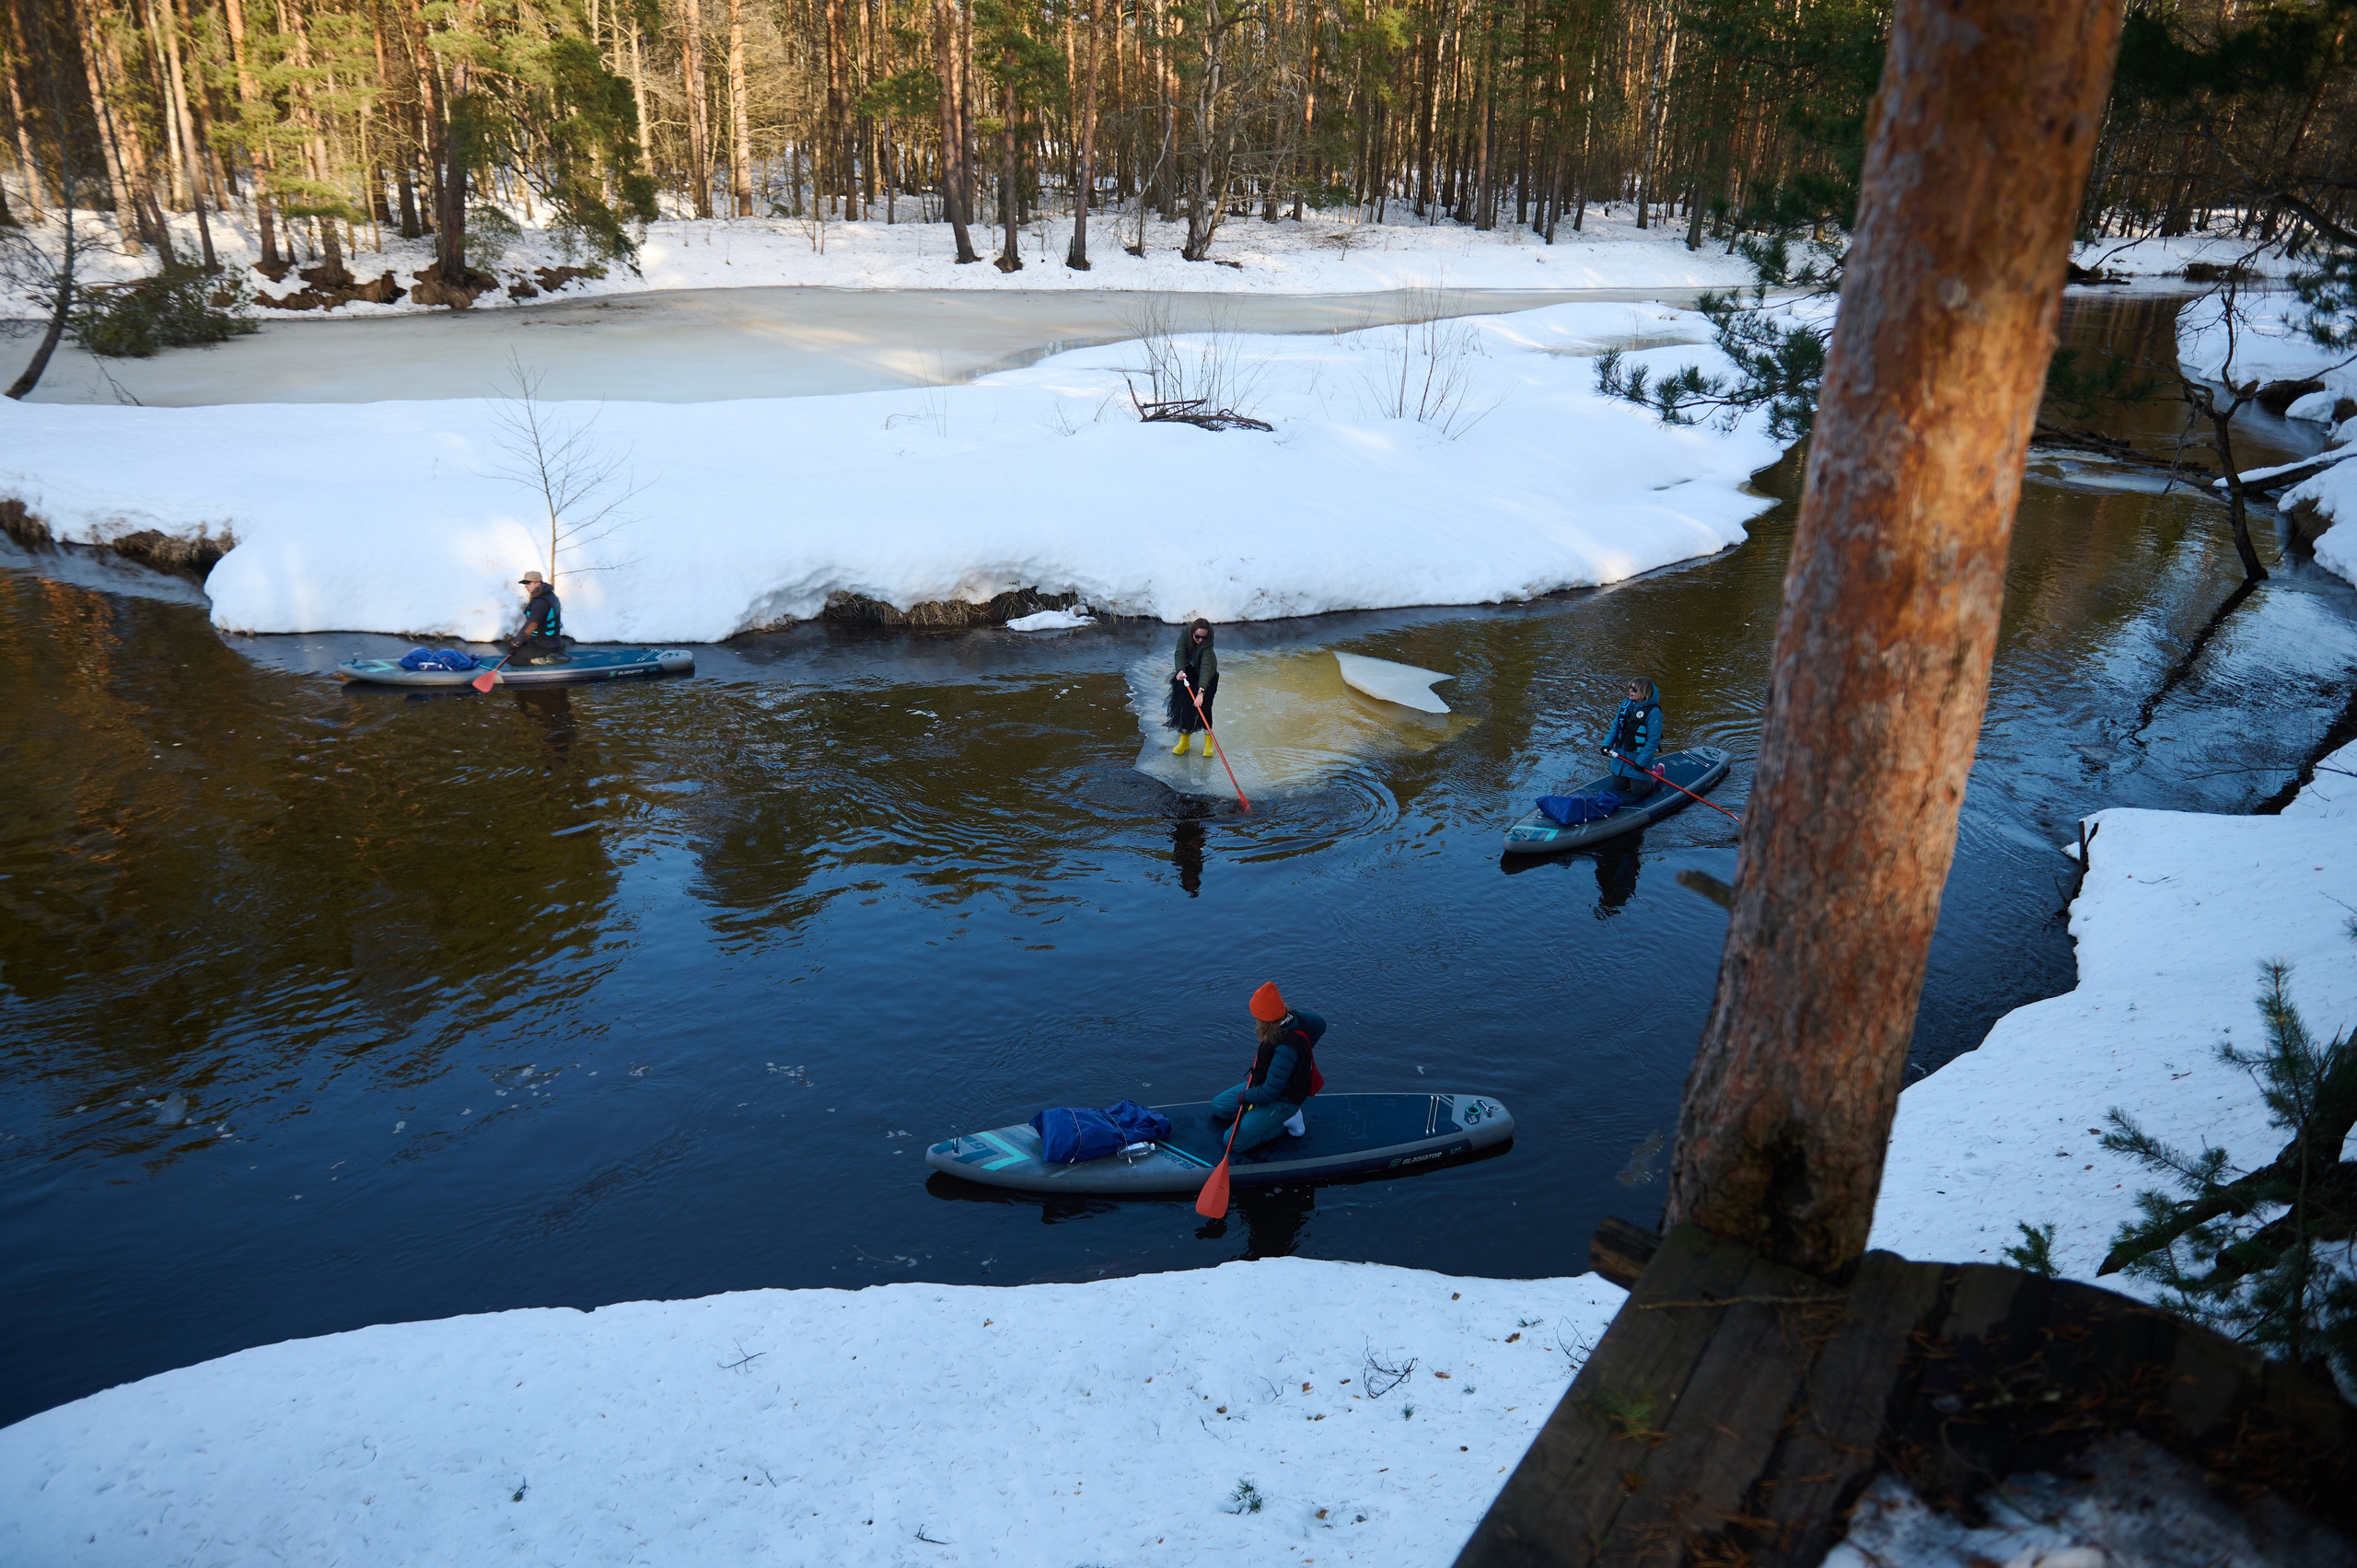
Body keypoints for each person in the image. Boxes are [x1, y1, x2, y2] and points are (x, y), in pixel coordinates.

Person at [1209, 982, 1326, 1153]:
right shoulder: (1292, 1017)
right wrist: (1304, 1053)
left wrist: (1247, 1096)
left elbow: (1270, 1093)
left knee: (1231, 1142)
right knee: (1218, 1107)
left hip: (1282, 1100)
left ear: (1264, 1019)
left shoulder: (1285, 1051)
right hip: (1265, 1085)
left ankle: (1286, 1120)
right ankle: (1257, 1118)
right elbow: (1320, 1025)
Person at [1601, 677, 1665, 802]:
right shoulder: (1626, 704)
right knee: (1619, 786)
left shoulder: (1653, 712)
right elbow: (1615, 726)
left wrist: (1641, 762)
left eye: (1634, 689)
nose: (1630, 691)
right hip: (1620, 757)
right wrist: (1606, 745)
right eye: (1630, 687)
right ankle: (1645, 771)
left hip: (1637, 758)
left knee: (1639, 791)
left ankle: (1657, 773)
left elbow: (1653, 740)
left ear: (1644, 693)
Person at [1167, 618, 1219, 757]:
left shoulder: (1207, 647)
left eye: (1204, 637)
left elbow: (1206, 668)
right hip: (1187, 674)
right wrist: (1180, 670)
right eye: (1197, 637)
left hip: (1207, 678)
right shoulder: (1185, 634)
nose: (1201, 640)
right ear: (1192, 633)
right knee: (1185, 707)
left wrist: (1201, 691)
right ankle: (1184, 741)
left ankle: (1209, 743)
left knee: (1205, 708)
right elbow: (1180, 652)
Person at [509, 570, 569, 665]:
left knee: (514, 659)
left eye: (528, 583)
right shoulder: (548, 596)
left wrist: (516, 643)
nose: (525, 586)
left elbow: (531, 625)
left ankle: (546, 659)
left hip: (545, 645)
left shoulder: (540, 602)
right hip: (546, 641)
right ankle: (549, 653)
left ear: (537, 583)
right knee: (515, 648)